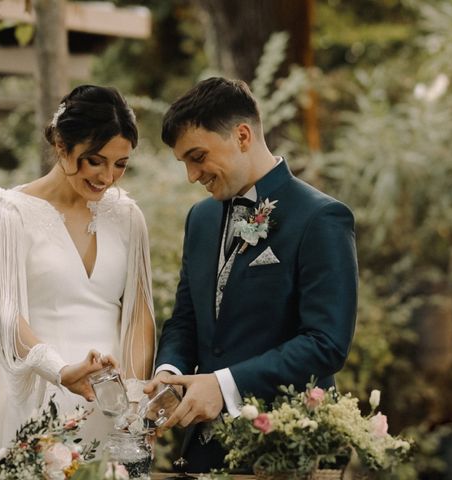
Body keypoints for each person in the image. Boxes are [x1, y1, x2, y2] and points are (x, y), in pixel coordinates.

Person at [144, 77, 358, 472]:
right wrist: (169, 375)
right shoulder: (201, 218)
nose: (192, 176)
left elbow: (326, 342)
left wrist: (225, 386)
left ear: (242, 135)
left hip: (287, 449)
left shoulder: (321, 218)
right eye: (185, 163)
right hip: (205, 453)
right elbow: (186, 317)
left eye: (197, 156)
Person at [0, 85, 156, 460]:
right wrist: (59, 370)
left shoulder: (128, 217)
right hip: (41, 395)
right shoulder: (6, 212)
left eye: (120, 164)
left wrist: (133, 401)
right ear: (61, 146)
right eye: (95, 160)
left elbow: (139, 314)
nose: (107, 177)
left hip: (112, 407)